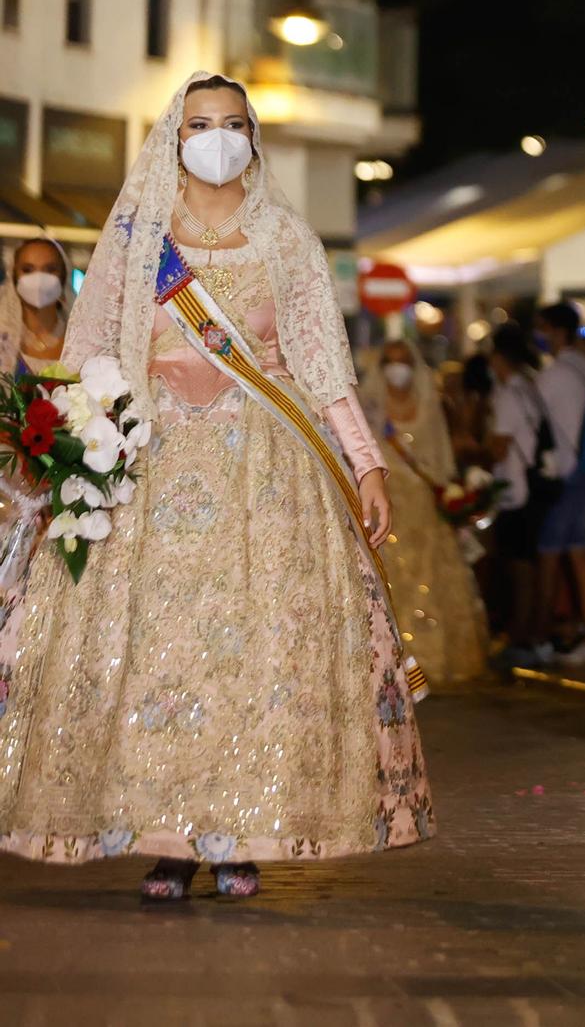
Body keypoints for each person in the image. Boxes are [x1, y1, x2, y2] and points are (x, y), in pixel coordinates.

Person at [0, 73, 430, 900]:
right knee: (161, 656)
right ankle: (169, 838)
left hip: (262, 470)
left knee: (257, 649)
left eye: (233, 123)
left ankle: (238, 831)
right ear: (175, 134)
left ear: (253, 135)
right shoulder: (136, 237)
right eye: (201, 123)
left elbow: (320, 361)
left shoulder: (287, 238)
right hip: (149, 462)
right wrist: (61, 444)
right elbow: (90, 346)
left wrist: (365, 462)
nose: (218, 137)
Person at [359, 338, 493, 688]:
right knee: (395, 581)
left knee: (434, 577)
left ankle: (438, 661)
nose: (397, 368)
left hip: (425, 505)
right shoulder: (370, 406)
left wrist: (450, 488)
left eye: (403, 360)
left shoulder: (429, 402)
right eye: (390, 360)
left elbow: (440, 452)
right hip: (389, 504)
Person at [532, 303, 585, 665]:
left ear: (557, 331)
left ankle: (541, 636)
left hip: (564, 474)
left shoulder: (554, 374)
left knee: (549, 553)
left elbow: (535, 422)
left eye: (543, 329)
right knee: (581, 552)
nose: (540, 337)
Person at [487, 322, 559, 665]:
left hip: (515, 488)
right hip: (535, 485)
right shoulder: (530, 388)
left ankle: (520, 637)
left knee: (518, 567)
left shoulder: (507, 395)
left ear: (498, 357)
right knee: (529, 563)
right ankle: (532, 634)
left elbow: (499, 447)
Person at [0, 237, 70, 377]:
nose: (38, 278)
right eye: (27, 269)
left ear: (63, 276)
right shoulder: (3, 336)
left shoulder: (78, 338)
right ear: (14, 276)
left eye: (50, 269)